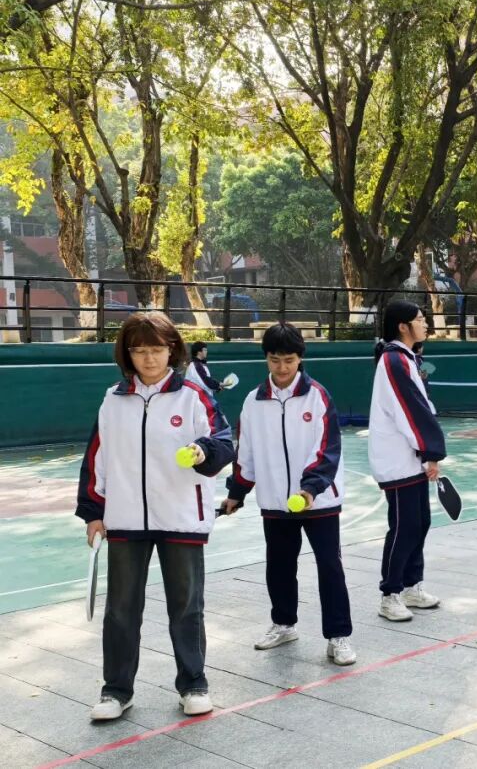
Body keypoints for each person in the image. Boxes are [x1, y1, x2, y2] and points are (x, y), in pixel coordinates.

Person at [76, 312, 233, 721]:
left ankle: (193, 684)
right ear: (127, 354)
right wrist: (93, 512)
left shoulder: (193, 396)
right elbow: (96, 459)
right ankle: (116, 691)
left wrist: (203, 451)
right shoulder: (113, 400)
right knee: (121, 609)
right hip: (125, 519)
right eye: (140, 350)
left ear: (172, 350)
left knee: (187, 606)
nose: (149, 359)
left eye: (157, 349)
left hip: (181, 517)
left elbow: (224, 442)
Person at [223, 322, 355, 666]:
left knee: (329, 566)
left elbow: (326, 450)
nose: (282, 368)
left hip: (319, 500)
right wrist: (237, 492)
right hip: (275, 502)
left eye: (289, 360)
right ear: (266, 359)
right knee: (279, 565)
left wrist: (310, 489)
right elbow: (245, 453)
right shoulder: (253, 401)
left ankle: (338, 635)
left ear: (300, 359)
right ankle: (284, 624)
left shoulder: (318, 396)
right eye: (275, 360)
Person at [368, 300, 446, 622]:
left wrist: (425, 453)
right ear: (403, 326)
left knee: (420, 523)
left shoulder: (408, 358)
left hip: (410, 459)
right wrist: (430, 451)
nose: (425, 323)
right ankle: (390, 594)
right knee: (404, 527)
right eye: (420, 319)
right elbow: (409, 410)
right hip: (397, 461)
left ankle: (412, 585)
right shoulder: (394, 360)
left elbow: (421, 405)